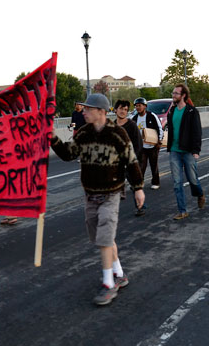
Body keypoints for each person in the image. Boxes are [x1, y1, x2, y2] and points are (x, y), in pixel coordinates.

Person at [50, 94, 145, 306]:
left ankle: (108, 284)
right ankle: (119, 273)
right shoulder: (83, 133)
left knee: (104, 235)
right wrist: (53, 138)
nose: (83, 112)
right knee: (101, 237)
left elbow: (131, 161)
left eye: (88, 109)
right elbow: (68, 154)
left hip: (111, 193)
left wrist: (138, 188)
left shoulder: (117, 133)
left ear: (101, 111)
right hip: (90, 194)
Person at [166, 84, 205, 220]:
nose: (173, 95)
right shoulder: (171, 111)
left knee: (193, 179)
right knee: (177, 182)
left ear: (183, 95)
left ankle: (200, 194)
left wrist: (196, 150)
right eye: (173, 93)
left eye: (176, 93)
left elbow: (197, 132)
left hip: (188, 151)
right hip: (174, 151)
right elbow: (170, 130)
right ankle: (182, 211)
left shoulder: (191, 111)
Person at [114, 100, 146, 216]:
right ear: (115, 109)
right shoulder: (112, 126)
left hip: (130, 161)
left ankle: (141, 207)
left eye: (126, 110)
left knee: (135, 185)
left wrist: (133, 161)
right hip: (117, 163)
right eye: (121, 108)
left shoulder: (132, 125)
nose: (123, 111)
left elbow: (138, 145)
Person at [130, 97, 163, 190]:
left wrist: (159, 141)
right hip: (141, 147)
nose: (138, 108)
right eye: (136, 106)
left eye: (139, 106)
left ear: (145, 106)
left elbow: (159, 128)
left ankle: (156, 182)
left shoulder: (152, 116)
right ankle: (139, 183)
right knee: (141, 166)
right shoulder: (135, 118)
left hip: (153, 145)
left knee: (154, 165)